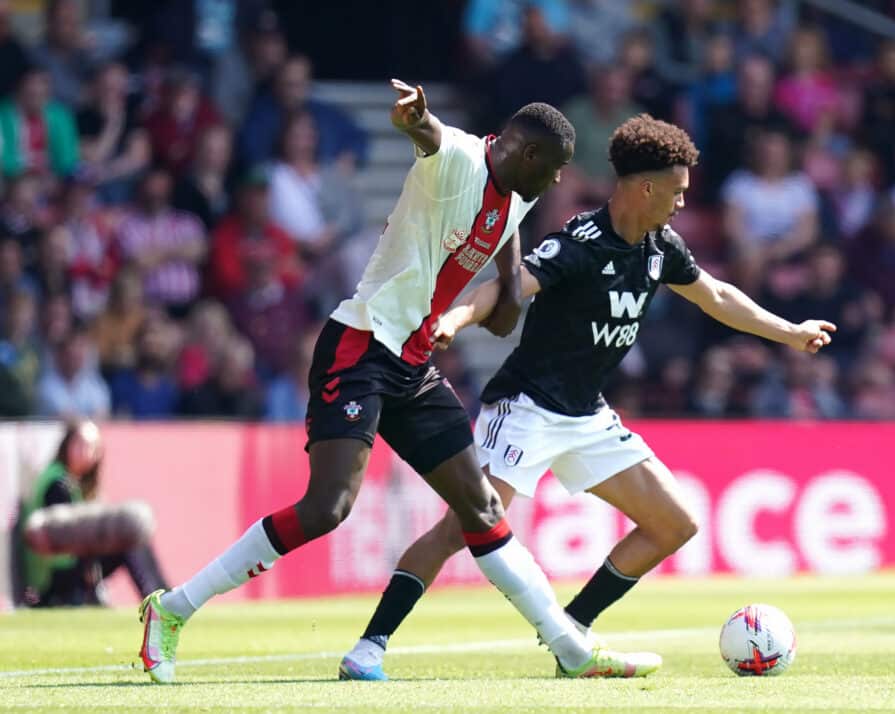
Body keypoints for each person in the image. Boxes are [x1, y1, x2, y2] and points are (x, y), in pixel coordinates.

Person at [139, 79, 658, 684]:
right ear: (528, 155)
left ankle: (569, 648)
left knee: (481, 506)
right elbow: (432, 140)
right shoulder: (459, 158)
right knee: (328, 507)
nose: (561, 182)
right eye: (559, 169)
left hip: (412, 363)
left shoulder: (518, 188)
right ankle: (170, 610)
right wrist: (415, 120)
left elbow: (507, 261)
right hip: (360, 346)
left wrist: (510, 286)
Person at [339, 114, 836, 680]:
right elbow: (509, 285)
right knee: (462, 528)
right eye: (675, 191)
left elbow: (717, 296)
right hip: (525, 408)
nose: (680, 204)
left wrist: (790, 331)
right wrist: (455, 318)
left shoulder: (660, 246)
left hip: (587, 414)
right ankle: (370, 645)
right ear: (644, 187)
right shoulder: (580, 242)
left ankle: (571, 633)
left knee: (673, 525)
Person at [18, 420, 167, 606]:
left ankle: (161, 593)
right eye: (80, 444)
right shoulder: (58, 484)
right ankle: (158, 601)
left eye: (92, 447)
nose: (86, 452)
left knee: (135, 535)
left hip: (71, 566)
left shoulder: (72, 482)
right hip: (58, 574)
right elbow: (61, 540)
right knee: (129, 538)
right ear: (67, 444)